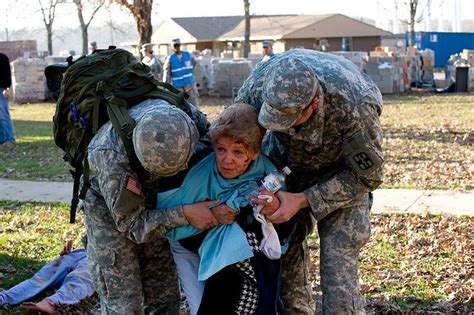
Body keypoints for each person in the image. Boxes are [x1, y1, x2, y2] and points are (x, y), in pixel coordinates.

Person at [236, 48, 384, 314]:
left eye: (289, 120)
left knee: (339, 281)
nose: (283, 126)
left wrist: (303, 200)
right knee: (285, 273)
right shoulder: (261, 83)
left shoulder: (354, 105)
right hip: (285, 168)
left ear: (313, 104)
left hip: (342, 174)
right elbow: (233, 134)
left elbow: (369, 175)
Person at [83, 99, 219, 314]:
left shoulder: (190, 119)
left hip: (160, 199)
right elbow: (132, 225)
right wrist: (184, 214)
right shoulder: (110, 155)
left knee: (164, 297)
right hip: (110, 211)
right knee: (125, 302)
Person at [157, 103, 289, 315]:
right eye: (221, 150)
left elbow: (285, 219)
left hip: (239, 251)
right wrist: (209, 214)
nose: (227, 160)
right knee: (202, 306)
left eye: (238, 152)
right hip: (189, 240)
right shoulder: (199, 175)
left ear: (254, 153)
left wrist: (274, 208)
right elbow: (168, 223)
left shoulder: (267, 171)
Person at [0, 241, 94, 315]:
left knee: (82, 275)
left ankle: (52, 303)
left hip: (104, 256)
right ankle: (4, 297)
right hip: (85, 250)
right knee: (42, 277)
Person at [163, 38, 200, 107]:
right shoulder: (170, 58)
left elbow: (195, 64)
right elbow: (167, 74)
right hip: (178, 86)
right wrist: (166, 87)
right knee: (180, 105)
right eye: (175, 46)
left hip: (189, 84)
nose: (177, 47)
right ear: (172, 47)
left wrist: (192, 77)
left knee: (194, 104)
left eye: (178, 45)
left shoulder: (187, 55)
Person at [0, 52, 15, 146]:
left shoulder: (3, 58)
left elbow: (7, 75)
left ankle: (10, 138)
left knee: (4, 115)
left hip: (1, 89)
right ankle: (2, 139)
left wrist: (7, 88)